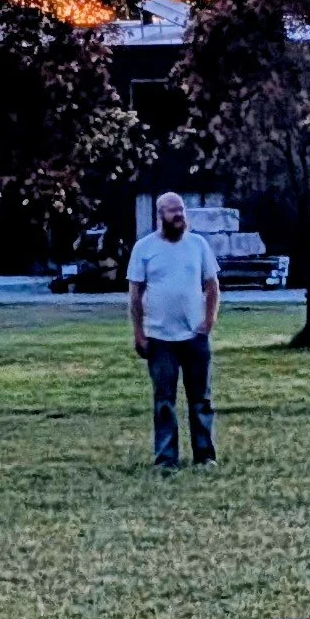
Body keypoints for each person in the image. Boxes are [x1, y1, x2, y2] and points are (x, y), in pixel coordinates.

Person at [127, 191, 220, 468]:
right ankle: (166, 459)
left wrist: (209, 320)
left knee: (200, 399)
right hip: (159, 338)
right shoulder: (143, 248)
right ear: (160, 216)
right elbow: (135, 295)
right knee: (164, 400)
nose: (178, 215)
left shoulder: (198, 245)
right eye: (171, 211)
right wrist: (139, 333)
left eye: (181, 210)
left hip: (194, 336)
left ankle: (204, 456)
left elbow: (212, 285)